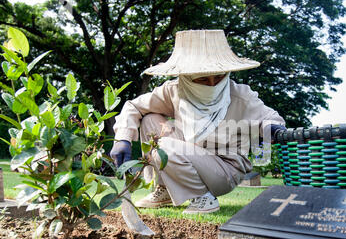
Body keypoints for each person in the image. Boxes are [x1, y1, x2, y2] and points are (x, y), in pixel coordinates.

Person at [110, 29, 286, 214]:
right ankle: (164, 189)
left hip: (225, 169)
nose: (212, 84)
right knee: (149, 119)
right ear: (186, 78)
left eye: (219, 77)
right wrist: (123, 138)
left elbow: (271, 119)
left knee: (162, 146)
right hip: (191, 152)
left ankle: (203, 197)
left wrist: (270, 129)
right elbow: (134, 107)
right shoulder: (174, 91)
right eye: (202, 79)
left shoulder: (240, 95)